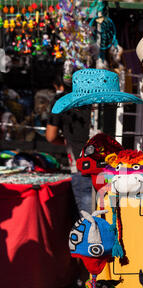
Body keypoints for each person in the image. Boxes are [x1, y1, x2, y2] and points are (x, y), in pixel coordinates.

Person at [46, 74, 93, 215]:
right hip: (107, 166)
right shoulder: (96, 98)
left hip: (80, 165)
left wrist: (65, 140)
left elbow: (50, 136)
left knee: (88, 220)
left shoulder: (61, 102)